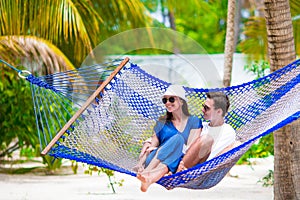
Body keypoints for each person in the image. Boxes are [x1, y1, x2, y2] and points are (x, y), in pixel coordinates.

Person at [135, 84, 203, 192]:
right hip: (154, 160)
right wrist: (146, 148)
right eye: (165, 100)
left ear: (181, 101)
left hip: (178, 162)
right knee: (178, 139)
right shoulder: (161, 123)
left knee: (177, 145)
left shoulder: (194, 121)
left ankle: (148, 179)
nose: (167, 103)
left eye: (171, 99)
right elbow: (152, 146)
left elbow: (191, 148)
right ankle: (149, 172)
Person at [177, 91, 236, 171]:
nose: (202, 110)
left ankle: (177, 172)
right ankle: (174, 170)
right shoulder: (201, 126)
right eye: (203, 106)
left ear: (219, 112)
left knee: (206, 140)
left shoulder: (228, 131)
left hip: (200, 169)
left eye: (206, 108)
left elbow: (219, 157)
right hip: (183, 162)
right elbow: (186, 148)